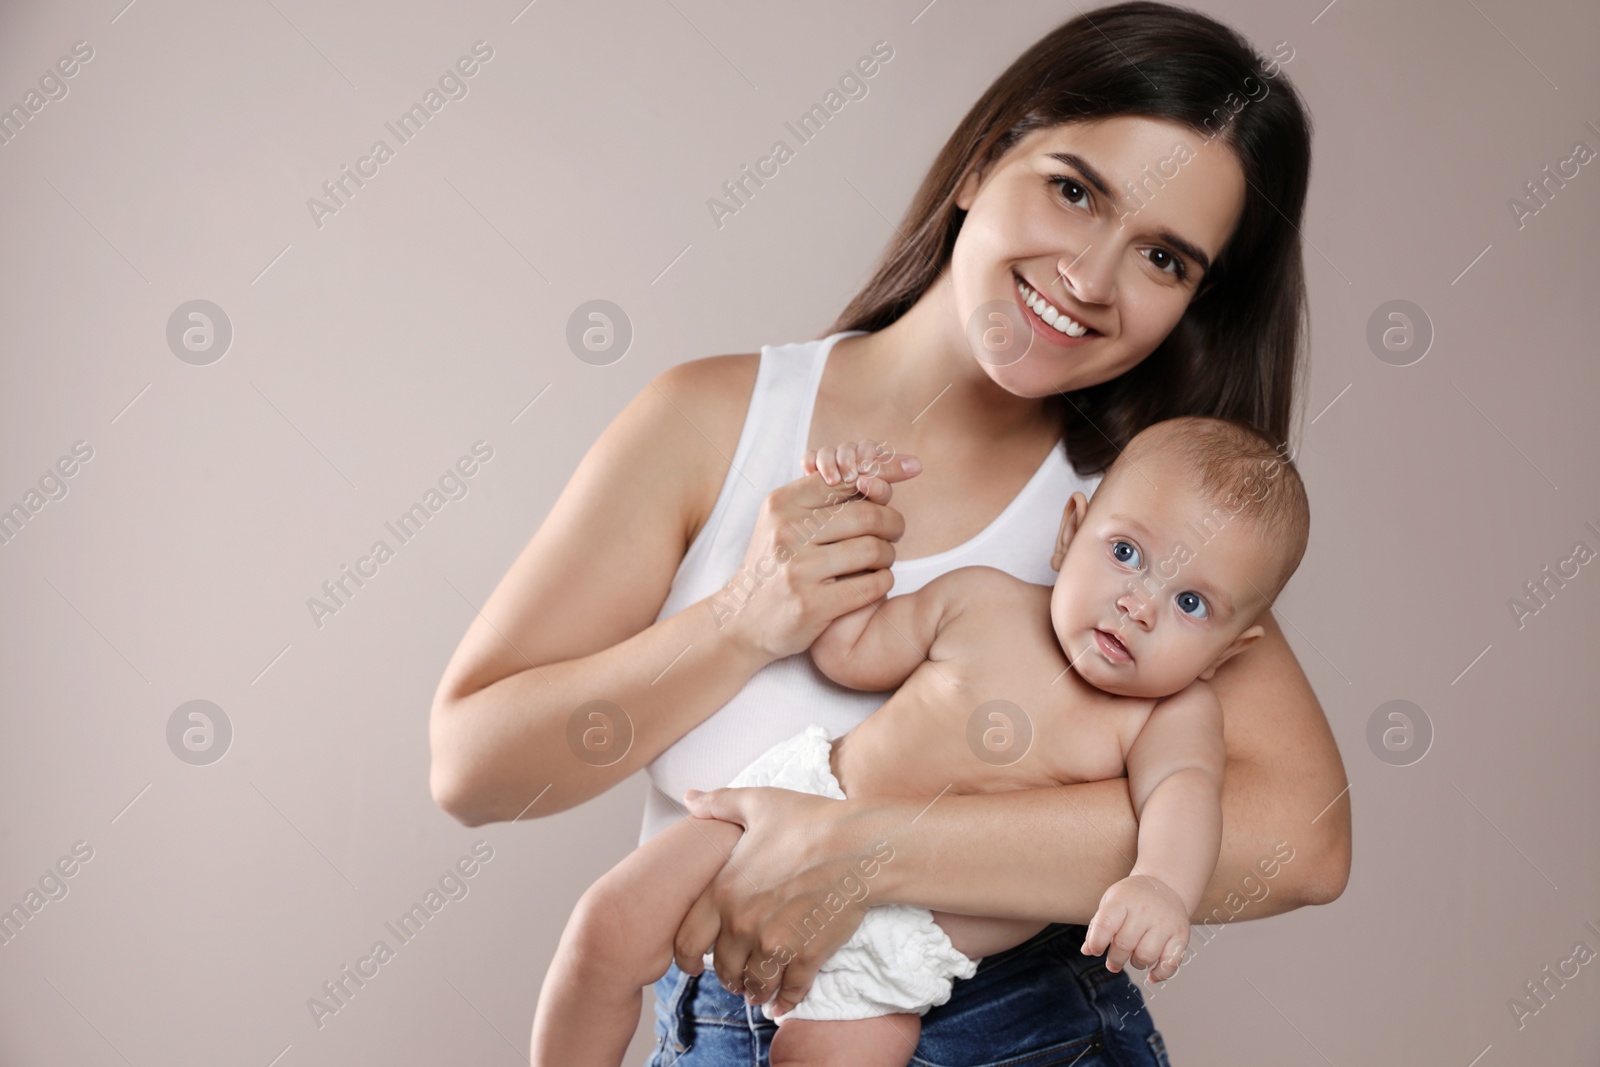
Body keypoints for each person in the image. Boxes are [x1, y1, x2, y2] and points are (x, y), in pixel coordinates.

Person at [428, 2, 1351, 1062]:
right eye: (1073, 189)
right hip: (735, 1018)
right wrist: (740, 621)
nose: (1091, 280)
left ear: (1194, 303)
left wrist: (862, 847)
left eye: (1163, 259)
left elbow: (1301, 842)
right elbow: (474, 768)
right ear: (979, 162)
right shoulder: (717, 421)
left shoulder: (1142, 518)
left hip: (1018, 1029)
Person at [527, 416, 1311, 1067]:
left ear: (1233, 650)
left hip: (908, 942)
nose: (1139, 604)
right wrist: (849, 514)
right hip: (797, 808)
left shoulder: (1167, 716)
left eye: (1191, 601)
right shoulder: (981, 603)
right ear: (1071, 531)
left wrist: (1162, 885)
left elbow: (1184, 796)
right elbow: (848, 651)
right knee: (607, 926)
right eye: (1127, 553)